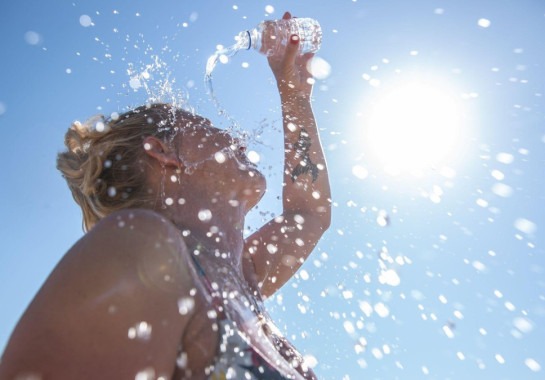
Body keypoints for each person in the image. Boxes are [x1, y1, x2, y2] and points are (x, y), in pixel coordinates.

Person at [0, 11, 330, 380]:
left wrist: (295, 96)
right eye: (207, 126)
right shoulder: (145, 253)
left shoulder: (242, 278)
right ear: (163, 152)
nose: (236, 138)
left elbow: (308, 214)